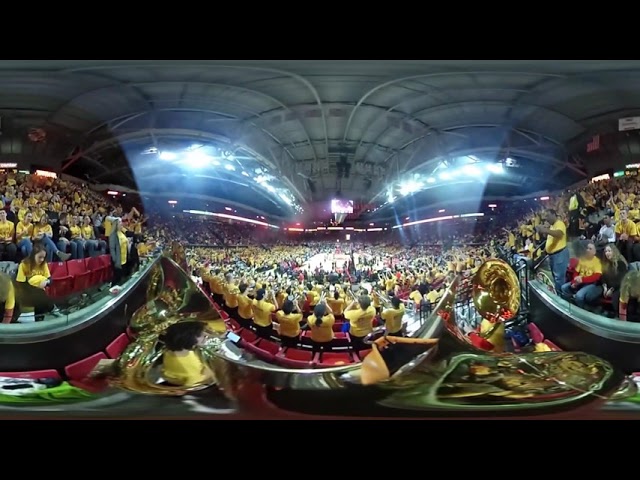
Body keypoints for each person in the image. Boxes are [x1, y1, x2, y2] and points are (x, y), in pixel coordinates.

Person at [161, 321, 214, 388]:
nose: (206, 336)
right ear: (188, 339)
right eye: (200, 335)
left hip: (176, 374)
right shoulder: (188, 366)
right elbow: (194, 383)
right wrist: (211, 370)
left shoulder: (172, 350)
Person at [14, 243, 55, 321]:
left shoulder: (43, 264)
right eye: (40, 257)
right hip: (26, 292)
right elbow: (20, 284)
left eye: (43, 257)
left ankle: (40, 318)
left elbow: (50, 280)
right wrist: (35, 288)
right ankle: (52, 309)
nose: (42, 260)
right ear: (33, 255)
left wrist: (47, 282)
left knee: (41, 298)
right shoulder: (24, 264)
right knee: (41, 297)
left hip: (40, 293)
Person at [560, 241, 602, 309]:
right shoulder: (582, 259)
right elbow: (576, 272)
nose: (587, 250)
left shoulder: (597, 262)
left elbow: (596, 277)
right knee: (564, 288)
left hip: (590, 284)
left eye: (590, 249)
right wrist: (574, 282)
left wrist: (582, 280)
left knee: (579, 296)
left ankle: (581, 309)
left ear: (594, 252)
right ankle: (568, 305)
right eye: (587, 248)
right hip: (579, 281)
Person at [536, 209, 569, 293]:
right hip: (552, 255)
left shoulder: (559, 223)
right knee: (555, 277)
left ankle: (561, 300)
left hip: (559, 254)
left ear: (554, 214)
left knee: (559, 278)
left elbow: (559, 234)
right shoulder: (552, 226)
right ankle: (558, 295)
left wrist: (545, 230)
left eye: (547, 216)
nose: (546, 218)